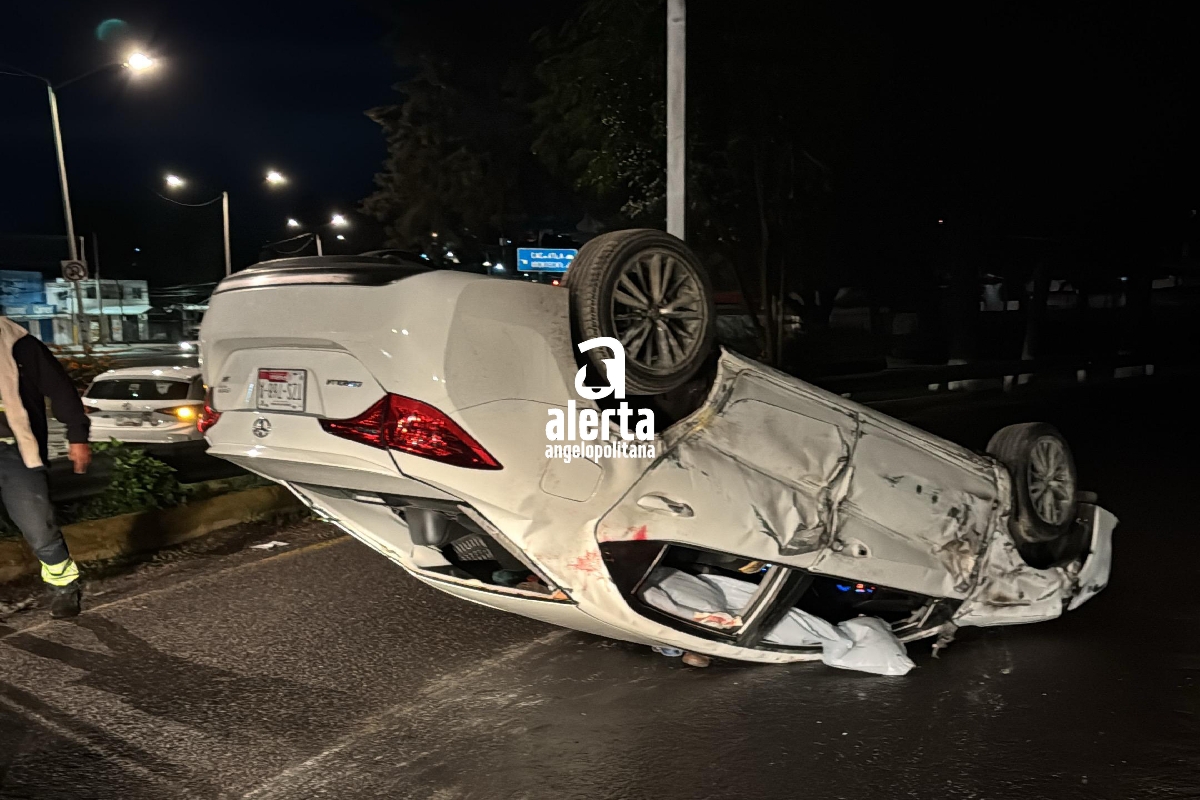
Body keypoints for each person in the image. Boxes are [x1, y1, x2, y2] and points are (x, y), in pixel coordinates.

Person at [0, 317, 91, 618]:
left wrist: (77, 435)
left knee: (38, 524)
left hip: (16, 450)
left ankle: (64, 587)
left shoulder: (16, 341)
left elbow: (59, 387)